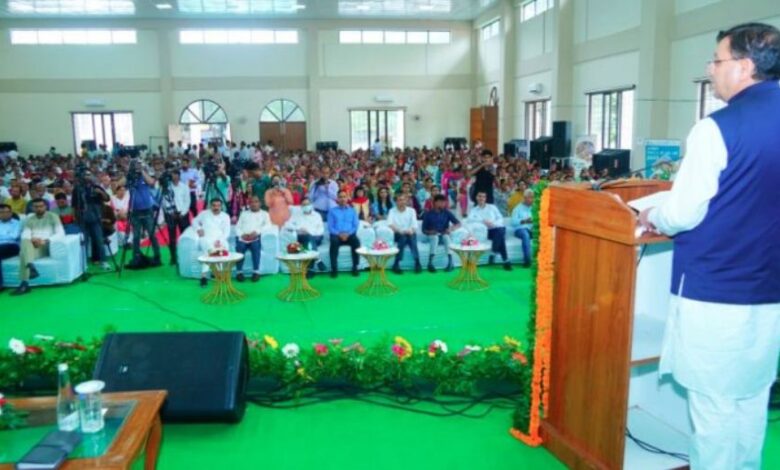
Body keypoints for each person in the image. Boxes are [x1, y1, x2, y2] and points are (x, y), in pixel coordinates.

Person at [638, 23, 780, 470]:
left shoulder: (716, 128)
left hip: (716, 291)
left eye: (717, 61)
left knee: (713, 409)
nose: (711, 70)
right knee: (751, 400)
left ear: (745, 66)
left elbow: (682, 214)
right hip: (770, 290)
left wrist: (652, 213)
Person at [13, 198, 64, 296]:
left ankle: (24, 283)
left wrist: (45, 241)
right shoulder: (30, 218)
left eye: (41, 206)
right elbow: (25, 233)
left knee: (23, 253)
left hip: (44, 245)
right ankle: (30, 265)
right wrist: (32, 239)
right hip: (31, 245)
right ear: (32, 208)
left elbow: (60, 233)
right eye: (36, 207)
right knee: (25, 241)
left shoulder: (53, 216)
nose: (39, 208)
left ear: (45, 207)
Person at [72, 172, 111, 270]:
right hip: (82, 218)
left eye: (89, 175)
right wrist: (74, 217)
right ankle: (83, 264)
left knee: (99, 240)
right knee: (83, 242)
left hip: (96, 218)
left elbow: (107, 198)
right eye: (85, 175)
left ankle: (103, 261)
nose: (87, 177)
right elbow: (74, 205)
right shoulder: (77, 189)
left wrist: (101, 192)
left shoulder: (96, 187)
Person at [127, 160, 162, 267]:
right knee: (136, 236)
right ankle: (136, 257)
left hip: (147, 210)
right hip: (135, 211)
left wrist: (142, 170)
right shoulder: (130, 178)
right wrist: (129, 172)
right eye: (135, 166)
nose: (136, 168)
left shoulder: (144, 175)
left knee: (151, 234)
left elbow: (151, 182)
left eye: (138, 165)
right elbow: (120, 183)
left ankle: (157, 256)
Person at [467, 191, 512, 271]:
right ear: (476, 198)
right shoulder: (474, 210)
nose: (481, 198)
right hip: (486, 232)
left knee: (500, 231)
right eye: (479, 196)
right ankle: (504, 259)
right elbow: (470, 220)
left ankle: (495, 252)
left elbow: (500, 218)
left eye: (483, 197)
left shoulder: (492, 207)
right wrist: (483, 221)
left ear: (485, 198)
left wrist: (493, 223)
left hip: (496, 228)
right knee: (501, 236)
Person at [193, 198, 231, 287]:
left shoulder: (225, 216)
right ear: (210, 206)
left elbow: (227, 232)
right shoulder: (204, 214)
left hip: (220, 239)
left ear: (221, 206)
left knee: (224, 248)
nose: (216, 207)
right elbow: (194, 221)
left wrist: (219, 241)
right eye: (214, 205)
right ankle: (204, 277)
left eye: (218, 206)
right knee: (209, 251)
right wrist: (198, 229)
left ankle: (217, 273)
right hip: (206, 238)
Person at [235, 195, 271, 283]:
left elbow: (268, 225)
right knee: (240, 247)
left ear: (260, 203)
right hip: (243, 237)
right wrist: (242, 234)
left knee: (255, 247)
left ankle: (256, 272)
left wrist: (257, 232)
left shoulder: (264, 214)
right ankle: (239, 272)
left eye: (256, 202)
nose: (253, 204)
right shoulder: (244, 213)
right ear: (249, 204)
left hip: (255, 237)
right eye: (251, 202)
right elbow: (238, 227)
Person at [285, 197, 327, 272]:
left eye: (308, 204)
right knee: (308, 241)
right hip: (302, 237)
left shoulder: (317, 215)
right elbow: (287, 225)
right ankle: (317, 260)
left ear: (311, 205)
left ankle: (310, 268)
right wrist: (299, 228)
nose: (306, 206)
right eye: (304, 205)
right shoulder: (297, 215)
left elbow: (321, 230)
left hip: (316, 237)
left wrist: (309, 233)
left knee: (309, 239)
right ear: (301, 206)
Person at [421, 194, 460, 272]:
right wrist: (430, 232)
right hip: (431, 236)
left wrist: (450, 229)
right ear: (435, 202)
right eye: (441, 202)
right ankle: (430, 263)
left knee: (446, 237)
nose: (443, 204)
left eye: (444, 202)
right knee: (435, 238)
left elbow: (458, 223)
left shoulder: (446, 212)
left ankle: (450, 263)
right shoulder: (428, 214)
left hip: (443, 234)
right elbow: (423, 229)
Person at [326, 190, 360, 277]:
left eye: (344, 197)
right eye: (340, 197)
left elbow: (355, 225)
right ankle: (334, 268)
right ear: (337, 199)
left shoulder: (352, 210)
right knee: (334, 242)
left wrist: (348, 234)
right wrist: (339, 234)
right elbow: (330, 227)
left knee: (356, 241)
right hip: (337, 235)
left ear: (347, 198)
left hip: (349, 234)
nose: (342, 199)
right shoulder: (332, 211)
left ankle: (355, 267)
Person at [387, 193, 421, 274]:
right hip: (398, 233)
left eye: (403, 200)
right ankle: (398, 263)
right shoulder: (392, 211)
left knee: (410, 238)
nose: (401, 202)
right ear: (396, 202)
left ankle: (415, 262)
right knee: (403, 237)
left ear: (406, 201)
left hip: (410, 232)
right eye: (399, 200)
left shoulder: (412, 211)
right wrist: (400, 231)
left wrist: (411, 230)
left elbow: (414, 225)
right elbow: (390, 224)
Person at [163, 170, 192, 265]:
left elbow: (187, 201)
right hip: (171, 215)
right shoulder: (167, 187)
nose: (174, 177)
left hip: (183, 214)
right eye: (173, 175)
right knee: (172, 238)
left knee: (185, 236)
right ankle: (173, 257)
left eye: (176, 175)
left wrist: (183, 213)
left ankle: (186, 255)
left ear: (179, 176)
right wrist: (171, 212)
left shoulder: (184, 187)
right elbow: (165, 201)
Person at [0, 204, 22, 292]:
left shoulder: (17, 223)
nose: (4, 214)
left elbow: (13, 236)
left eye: (6, 212)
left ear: (11, 213)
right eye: (1, 212)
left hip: (12, 246)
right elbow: (9, 235)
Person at [510, 189, 534, 268]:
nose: (532, 199)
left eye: (532, 197)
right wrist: (524, 221)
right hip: (520, 230)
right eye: (530, 197)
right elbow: (513, 222)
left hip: (532, 229)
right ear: (525, 198)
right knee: (525, 235)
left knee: (543, 233)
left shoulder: (534, 208)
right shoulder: (517, 208)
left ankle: (542, 259)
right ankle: (527, 261)